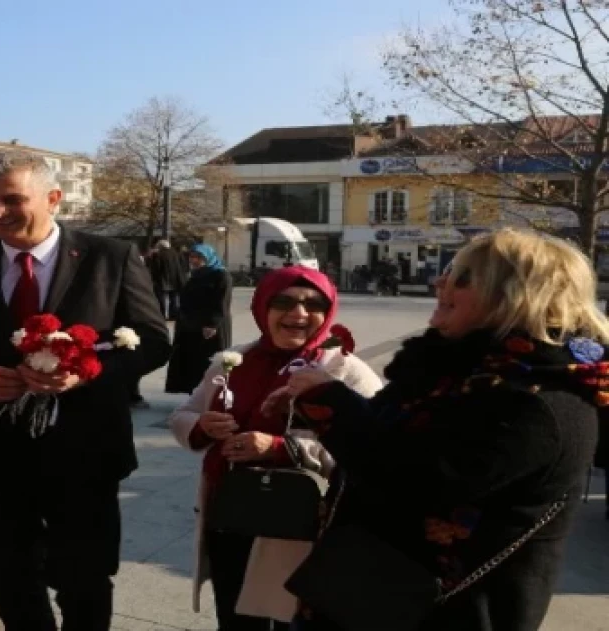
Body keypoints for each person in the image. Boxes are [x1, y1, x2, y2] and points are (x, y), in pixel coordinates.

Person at [275, 228, 606, 631]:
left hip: (441, 614)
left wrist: (329, 401)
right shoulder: (455, 369)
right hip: (362, 595)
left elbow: (414, 478)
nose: (439, 283)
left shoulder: (538, 401)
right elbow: (387, 432)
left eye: (461, 277)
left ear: (513, 296)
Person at [0, 150, 171, 630]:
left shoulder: (110, 257)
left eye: (12, 199)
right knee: (12, 582)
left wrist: (88, 372)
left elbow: (154, 342)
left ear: (53, 198)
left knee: (84, 581)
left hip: (85, 451)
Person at [167, 267, 383, 630]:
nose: (298, 313)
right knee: (235, 618)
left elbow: (376, 448)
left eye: (314, 304)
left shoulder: (344, 370)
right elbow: (183, 414)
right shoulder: (233, 360)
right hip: (231, 516)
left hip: (298, 526)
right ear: (262, 307)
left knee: (287, 618)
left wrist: (281, 447)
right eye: (283, 302)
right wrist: (202, 426)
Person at [166, 243, 233, 394]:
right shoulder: (196, 275)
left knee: (208, 360)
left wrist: (212, 324)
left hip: (210, 326)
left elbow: (222, 301)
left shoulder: (221, 275)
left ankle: (210, 394)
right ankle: (193, 392)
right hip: (191, 326)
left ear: (209, 257)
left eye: (199, 257)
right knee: (192, 360)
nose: (195, 260)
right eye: (192, 257)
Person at [149, 239, 188, 321]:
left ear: (160, 247)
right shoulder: (177, 254)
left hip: (163, 279)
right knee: (174, 297)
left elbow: (156, 268)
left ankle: (164, 315)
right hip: (176, 279)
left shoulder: (158, 255)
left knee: (163, 298)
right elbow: (183, 266)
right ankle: (174, 314)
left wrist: (154, 279)